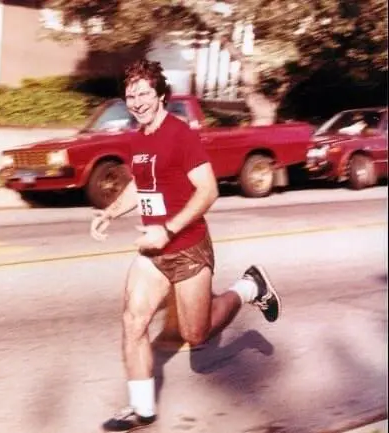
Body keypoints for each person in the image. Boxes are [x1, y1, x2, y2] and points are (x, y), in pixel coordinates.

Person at [90, 59, 281, 432]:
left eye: (144, 93)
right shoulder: (137, 137)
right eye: (131, 95)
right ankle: (141, 409)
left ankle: (248, 287)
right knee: (133, 321)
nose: (137, 101)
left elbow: (208, 190)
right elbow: (139, 185)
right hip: (153, 252)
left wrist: (169, 229)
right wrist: (110, 211)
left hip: (189, 248)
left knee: (197, 334)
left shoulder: (180, 135)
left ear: (161, 95)